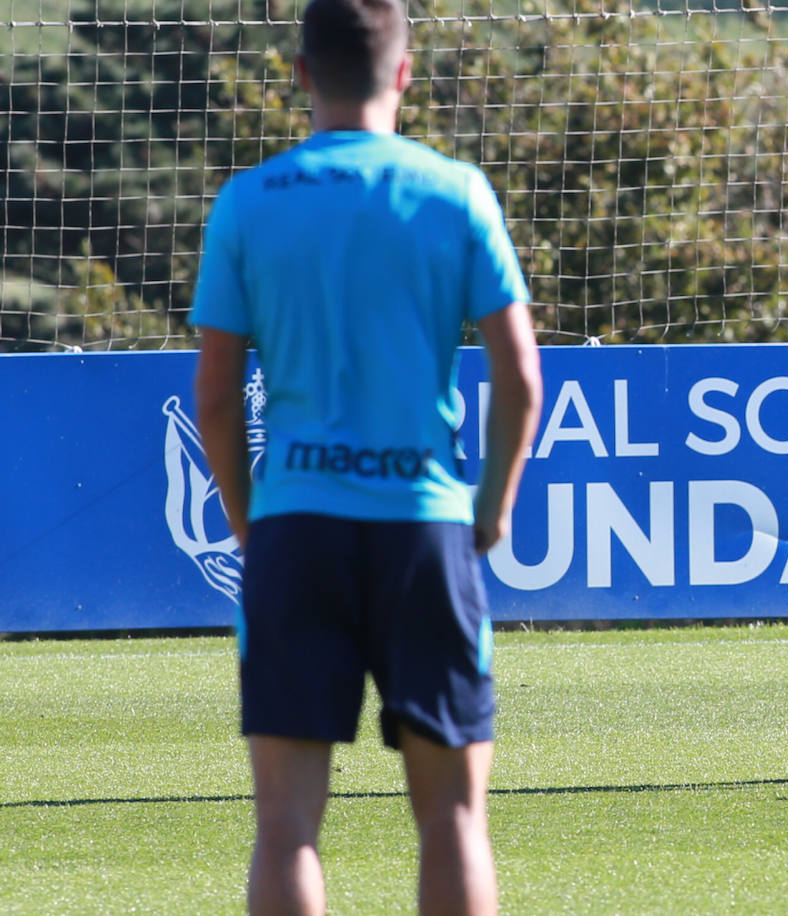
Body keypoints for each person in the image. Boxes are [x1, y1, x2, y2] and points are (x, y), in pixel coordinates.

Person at [191, 0, 542, 912]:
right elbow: (519, 377)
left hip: (295, 530)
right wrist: (493, 507)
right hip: (423, 529)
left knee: (286, 827)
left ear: (302, 76)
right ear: (404, 74)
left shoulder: (248, 201)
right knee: (455, 821)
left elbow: (218, 394)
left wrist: (246, 516)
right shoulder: (456, 191)